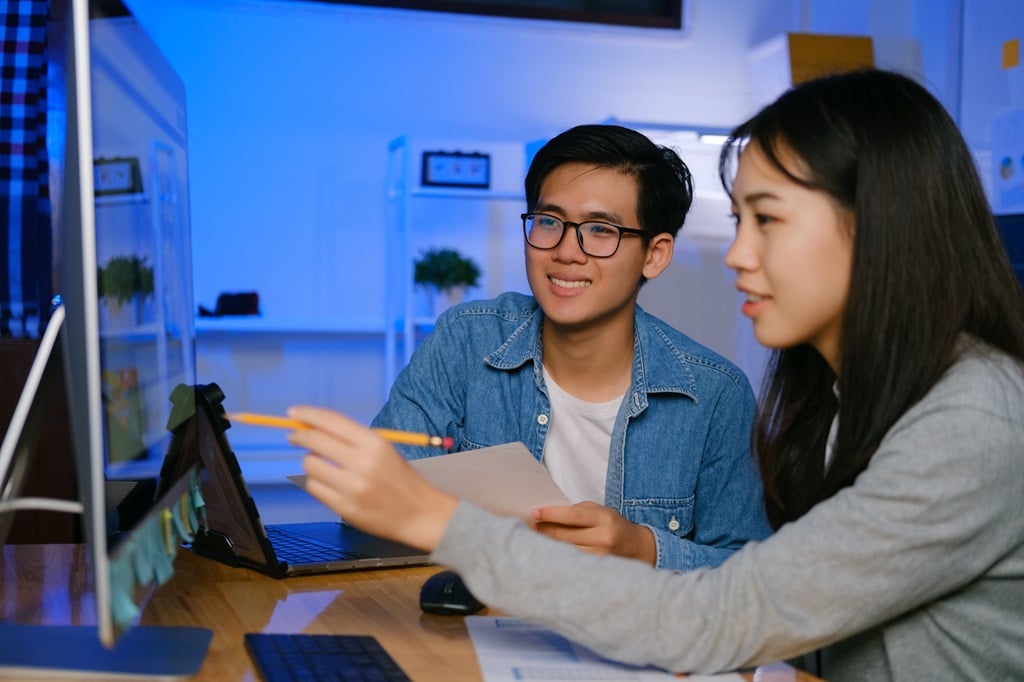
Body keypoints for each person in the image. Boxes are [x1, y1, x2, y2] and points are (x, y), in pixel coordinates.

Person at [292, 69, 1024, 681]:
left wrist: (434, 519)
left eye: (765, 220)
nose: (736, 254)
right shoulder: (841, 397)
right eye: (739, 221)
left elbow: (730, 608)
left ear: (879, 226)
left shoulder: (971, 419)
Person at [371, 123, 771, 570]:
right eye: (549, 221)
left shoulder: (716, 395)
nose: (565, 251)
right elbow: (388, 488)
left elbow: (749, 572)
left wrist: (642, 548)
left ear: (655, 255)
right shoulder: (465, 339)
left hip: (629, 634)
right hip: (473, 621)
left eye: (600, 230)